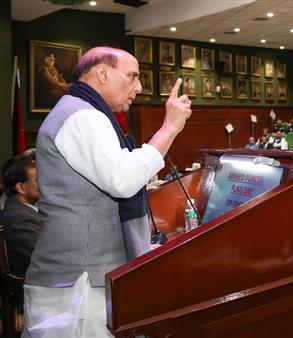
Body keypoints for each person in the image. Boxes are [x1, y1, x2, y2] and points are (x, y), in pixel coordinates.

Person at [25, 46, 192, 336]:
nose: (139, 87)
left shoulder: (79, 110)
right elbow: (123, 179)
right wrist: (169, 128)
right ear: (102, 73)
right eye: (132, 76)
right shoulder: (82, 116)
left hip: (81, 277)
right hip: (79, 283)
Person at [0, 156, 42, 277]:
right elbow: (44, 258)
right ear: (21, 188)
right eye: (38, 180)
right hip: (33, 288)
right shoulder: (18, 217)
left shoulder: (27, 210)